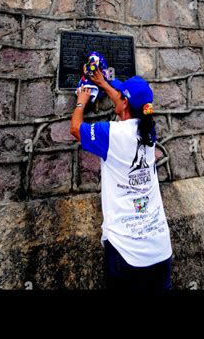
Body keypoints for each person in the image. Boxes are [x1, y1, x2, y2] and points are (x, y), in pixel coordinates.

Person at [70, 68, 173, 292]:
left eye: (121, 97)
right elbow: (127, 103)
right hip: (161, 252)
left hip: (126, 255)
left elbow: (76, 129)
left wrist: (81, 101)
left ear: (125, 103)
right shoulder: (149, 131)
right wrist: (105, 84)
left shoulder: (112, 134)